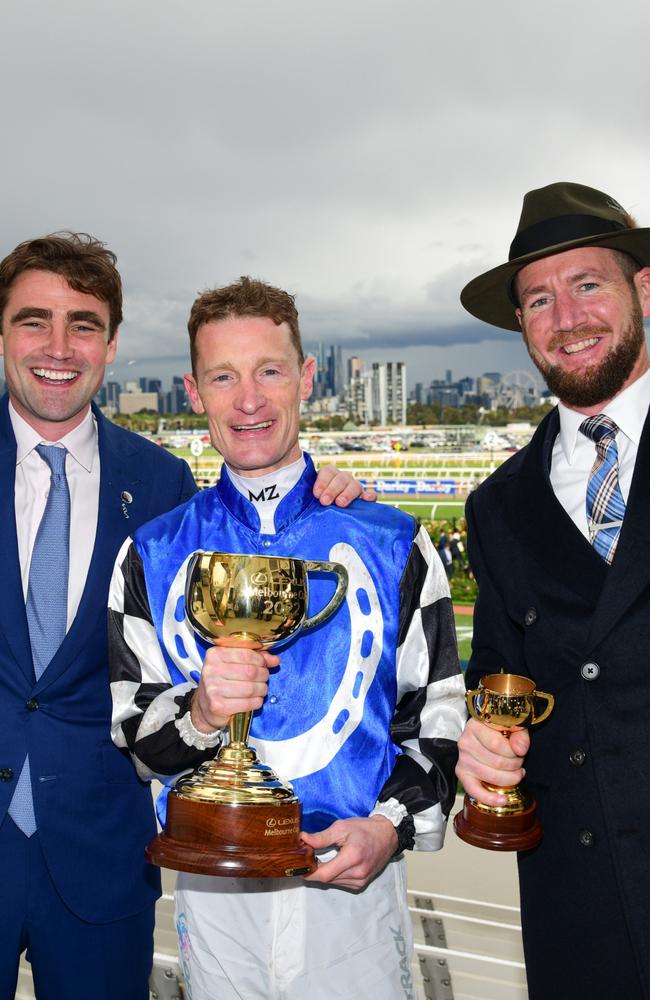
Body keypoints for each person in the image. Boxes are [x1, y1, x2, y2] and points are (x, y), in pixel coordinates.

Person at [0, 235, 365, 1000]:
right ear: (2, 333)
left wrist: (338, 498)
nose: (59, 347)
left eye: (85, 324)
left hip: (102, 862)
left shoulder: (162, 484)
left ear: (113, 343)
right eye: (35, 321)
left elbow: (256, 522)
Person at [108, 276, 467, 1000]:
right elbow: (133, 731)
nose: (248, 399)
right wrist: (203, 714)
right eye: (223, 376)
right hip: (215, 893)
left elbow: (438, 720)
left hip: (355, 894)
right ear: (193, 390)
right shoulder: (148, 554)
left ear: (305, 378)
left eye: (269, 370)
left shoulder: (393, 542)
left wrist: (389, 826)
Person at [456, 182, 650, 1000]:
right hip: (581, 913)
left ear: (645, 290)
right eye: (539, 298)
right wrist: (480, 745)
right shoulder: (496, 506)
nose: (565, 317)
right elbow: (500, 682)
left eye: (587, 285)